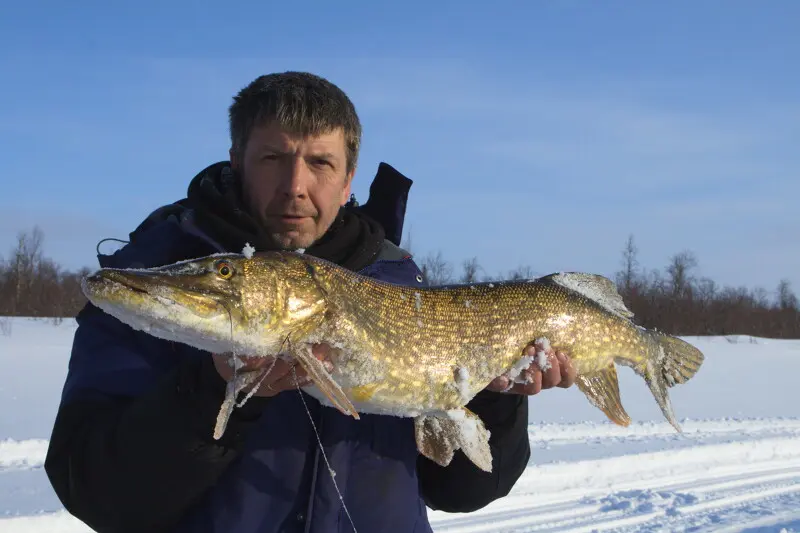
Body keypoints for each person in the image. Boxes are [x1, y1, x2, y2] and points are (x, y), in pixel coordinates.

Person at [44, 71, 577, 533]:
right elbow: (92, 491)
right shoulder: (160, 284)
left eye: (320, 162)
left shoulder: (401, 285)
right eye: (274, 158)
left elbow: (462, 490)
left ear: (347, 182)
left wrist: (495, 397)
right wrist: (209, 393)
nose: (296, 185)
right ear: (237, 161)